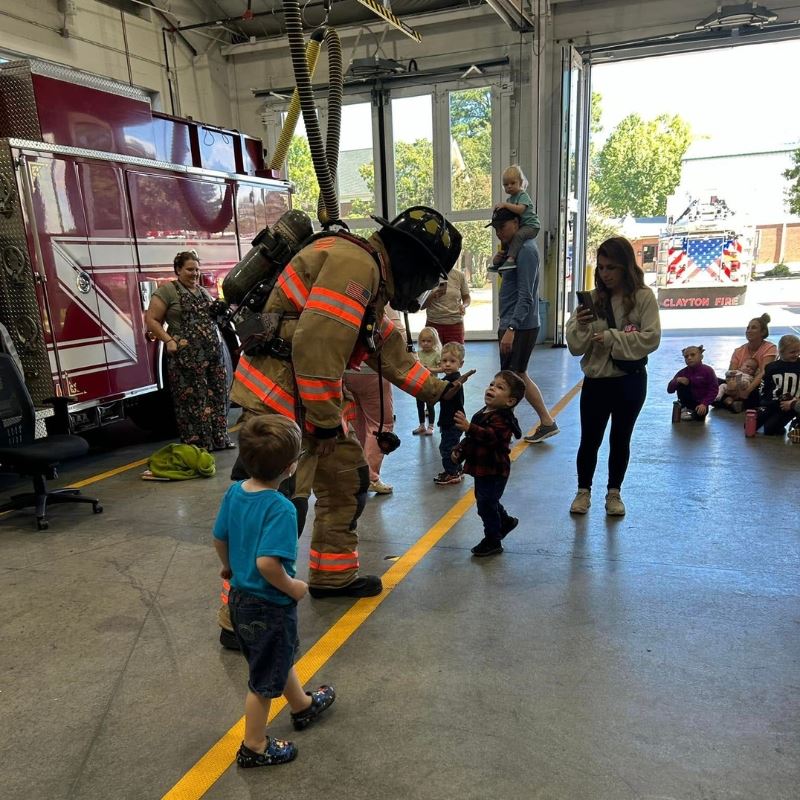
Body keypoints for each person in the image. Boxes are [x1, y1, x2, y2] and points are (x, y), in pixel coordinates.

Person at [229, 205, 467, 598]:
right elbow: (317, 346)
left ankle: (332, 575)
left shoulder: (366, 268)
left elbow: (385, 346)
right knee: (274, 504)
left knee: (345, 480)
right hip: (281, 403)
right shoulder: (355, 268)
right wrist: (324, 424)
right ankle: (244, 611)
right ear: (414, 263)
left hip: (308, 399)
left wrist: (436, 389)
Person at [212, 415, 336, 769]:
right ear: (290, 466)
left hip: (239, 599)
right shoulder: (281, 508)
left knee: (273, 658)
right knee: (263, 681)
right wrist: (293, 587)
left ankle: (301, 705)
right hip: (269, 604)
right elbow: (268, 564)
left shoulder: (236, 492)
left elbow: (219, 537)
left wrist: (228, 567)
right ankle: (254, 746)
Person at [566, 236, 661, 517]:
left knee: (621, 438)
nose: (605, 274)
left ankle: (614, 493)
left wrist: (612, 337)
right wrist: (581, 325)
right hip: (596, 381)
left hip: (630, 380)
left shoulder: (643, 297)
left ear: (626, 267)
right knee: (590, 439)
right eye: (601, 267)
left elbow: (651, 338)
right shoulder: (591, 300)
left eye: (612, 268)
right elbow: (575, 347)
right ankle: (583, 491)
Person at [145, 250, 233, 451]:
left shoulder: (202, 292)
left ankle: (219, 438)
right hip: (186, 357)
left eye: (197, 269)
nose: (195, 273)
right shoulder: (167, 292)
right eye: (190, 269)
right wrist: (168, 340)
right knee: (194, 398)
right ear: (178, 270)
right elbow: (151, 320)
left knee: (218, 393)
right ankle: (199, 443)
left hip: (213, 354)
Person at [488, 207, 560, 444]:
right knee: (517, 376)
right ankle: (543, 422)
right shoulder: (512, 249)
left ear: (517, 223)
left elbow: (526, 295)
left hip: (519, 325)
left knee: (512, 379)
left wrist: (512, 329)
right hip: (512, 322)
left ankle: (509, 428)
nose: (499, 233)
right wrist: (497, 263)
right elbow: (510, 282)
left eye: (503, 227)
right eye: (496, 229)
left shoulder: (526, 250)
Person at [452, 370, 524, 557]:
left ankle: (493, 540)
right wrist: (460, 451)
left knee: (486, 505)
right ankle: (505, 521)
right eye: (492, 384)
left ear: (510, 401)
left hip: (495, 469)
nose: (492, 388)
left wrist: (469, 427)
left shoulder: (504, 419)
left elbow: (490, 437)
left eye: (500, 387)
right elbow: (472, 438)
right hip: (482, 468)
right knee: (487, 501)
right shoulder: (482, 413)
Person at [716, 313, 777, 412]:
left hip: (755, 387)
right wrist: (731, 386)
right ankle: (733, 403)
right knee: (712, 382)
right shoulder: (738, 351)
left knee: (764, 392)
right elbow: (731, 372)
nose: (749, 330)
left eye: (753, 328)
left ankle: (729, 401)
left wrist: (747, 391)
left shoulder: (770, 348)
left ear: (763, 332)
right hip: (737, 385)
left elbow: (763, 372)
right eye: (748, 328)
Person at [488, 165, 541, 273]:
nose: (509, 186)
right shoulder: (510, 199)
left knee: (518, 236)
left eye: (513, 183)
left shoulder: (523, 195)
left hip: (531, 225)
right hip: (523, 225)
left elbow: (521, 210)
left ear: (520, 183)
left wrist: (505, 205)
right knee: (506, 243)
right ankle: (502, 262)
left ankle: (511, 259)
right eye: (506, 184)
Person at [433, 342, 466, 486]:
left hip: (452, 421)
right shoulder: (449, 379)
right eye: (444, 361)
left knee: (447, 448)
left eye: (452, 361)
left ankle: (452, 473)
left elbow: (441, 393)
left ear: (460, 364)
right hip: (451, 419)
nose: (447, 364)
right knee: (454, 446)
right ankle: (457, 469)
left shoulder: (452, 380)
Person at [758, 334, 800, 436]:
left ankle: (795, 424)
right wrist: (765, 402)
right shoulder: (771, 367)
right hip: (775, 403)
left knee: (770, 429)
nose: (796, 354)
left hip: (794, 405)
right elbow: (765, 386)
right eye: (792, 352)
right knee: (753, 424)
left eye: (798, 351)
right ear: (781, 352)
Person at [667, 345, 718, 420]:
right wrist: (677, 380)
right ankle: (684, 409)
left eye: (693, 355)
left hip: (701, 403)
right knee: (682, 382)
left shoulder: (708, 370)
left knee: (699, 416)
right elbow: (669, 390)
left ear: (701, 357)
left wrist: (704, 404)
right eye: (686, 356)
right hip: (686, 403)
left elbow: (714, 390)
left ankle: (692, 414)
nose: (689, 358)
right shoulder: (682, 372)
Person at [424, 267, 471, 344]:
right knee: (432, 352)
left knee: (455, 351)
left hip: (455, 324)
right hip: (433, 324)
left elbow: (467, 298)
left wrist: (464, 306)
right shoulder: (427, 275)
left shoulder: (459, 275)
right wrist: (433, 295)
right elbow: (422, 305)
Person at [413, 326, 442, 435]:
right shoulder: (418, 354)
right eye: (423, 341)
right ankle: (421, 425)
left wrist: (430, 369)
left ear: (434, 342)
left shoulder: (436, 354)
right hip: (419, 384)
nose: (425, 343)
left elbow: (442, 368)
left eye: (429, 341)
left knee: (430, 405)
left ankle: (431, 426)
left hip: (431, 384)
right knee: (420, 405)